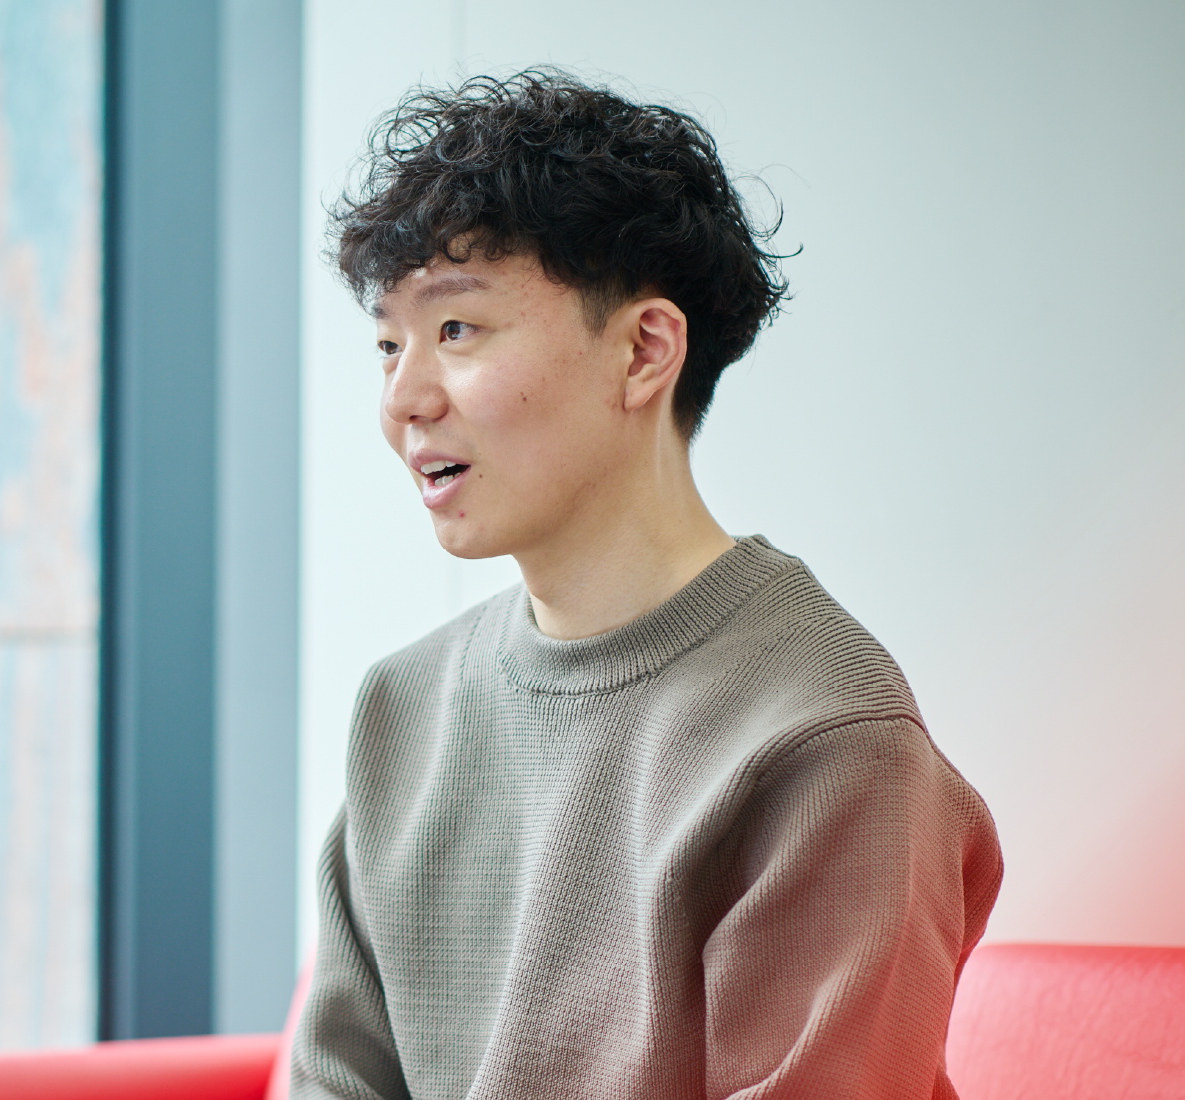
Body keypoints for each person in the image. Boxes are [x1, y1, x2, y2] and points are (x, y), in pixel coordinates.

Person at [291, 71, 1002, 1100]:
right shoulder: (402, 705)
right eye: (387, 345)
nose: (404, 399)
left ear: (642, 351)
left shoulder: (828, 740)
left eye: (456, 331)